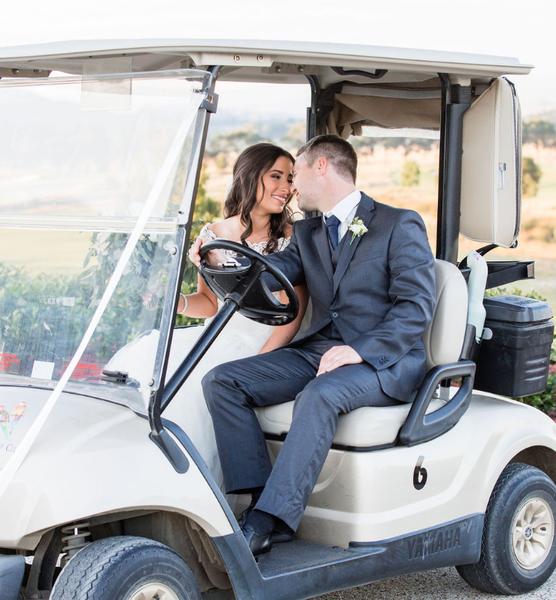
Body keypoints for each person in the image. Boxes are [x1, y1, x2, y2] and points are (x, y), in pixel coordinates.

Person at [191, 134, 436, 557]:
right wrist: (214, 261)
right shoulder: (309, 232)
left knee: (319, 395)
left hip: (382, 362)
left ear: (320, 166)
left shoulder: (399, 223)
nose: (292, 186)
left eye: (297, 172)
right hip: (320, 351)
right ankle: (257, 498)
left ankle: (273, 521)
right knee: (222, 381)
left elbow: (416, 307)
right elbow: (264, 273)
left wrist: (359, 351)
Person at [133, 143, 308, 489]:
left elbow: (294, 312)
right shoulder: (213, 234)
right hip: (221, 334)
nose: (286, 189)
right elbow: (210, 304)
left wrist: (260, 362)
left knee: (201, 387)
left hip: (269, 341)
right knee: (149, 364)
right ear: (247, 176)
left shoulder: (293, 237)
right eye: (276, 176)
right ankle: (153, 482)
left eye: (290, 179)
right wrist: (174, 302)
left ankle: (209, 491)